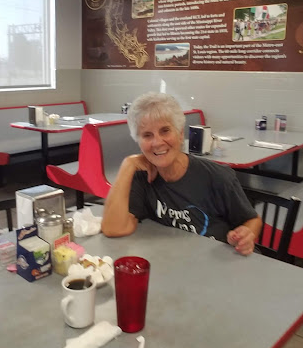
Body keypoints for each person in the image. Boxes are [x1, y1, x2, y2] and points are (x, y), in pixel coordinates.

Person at [102, 92, 261, 256]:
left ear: (180, 135)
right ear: (139, 142)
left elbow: (252, 220)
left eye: (165, 131)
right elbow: (113, 228)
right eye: (147, 135)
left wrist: (245, 235)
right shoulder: (142, 177)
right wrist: (128, 165)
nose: (157, 142)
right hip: (173, 261)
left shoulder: (218, 177)